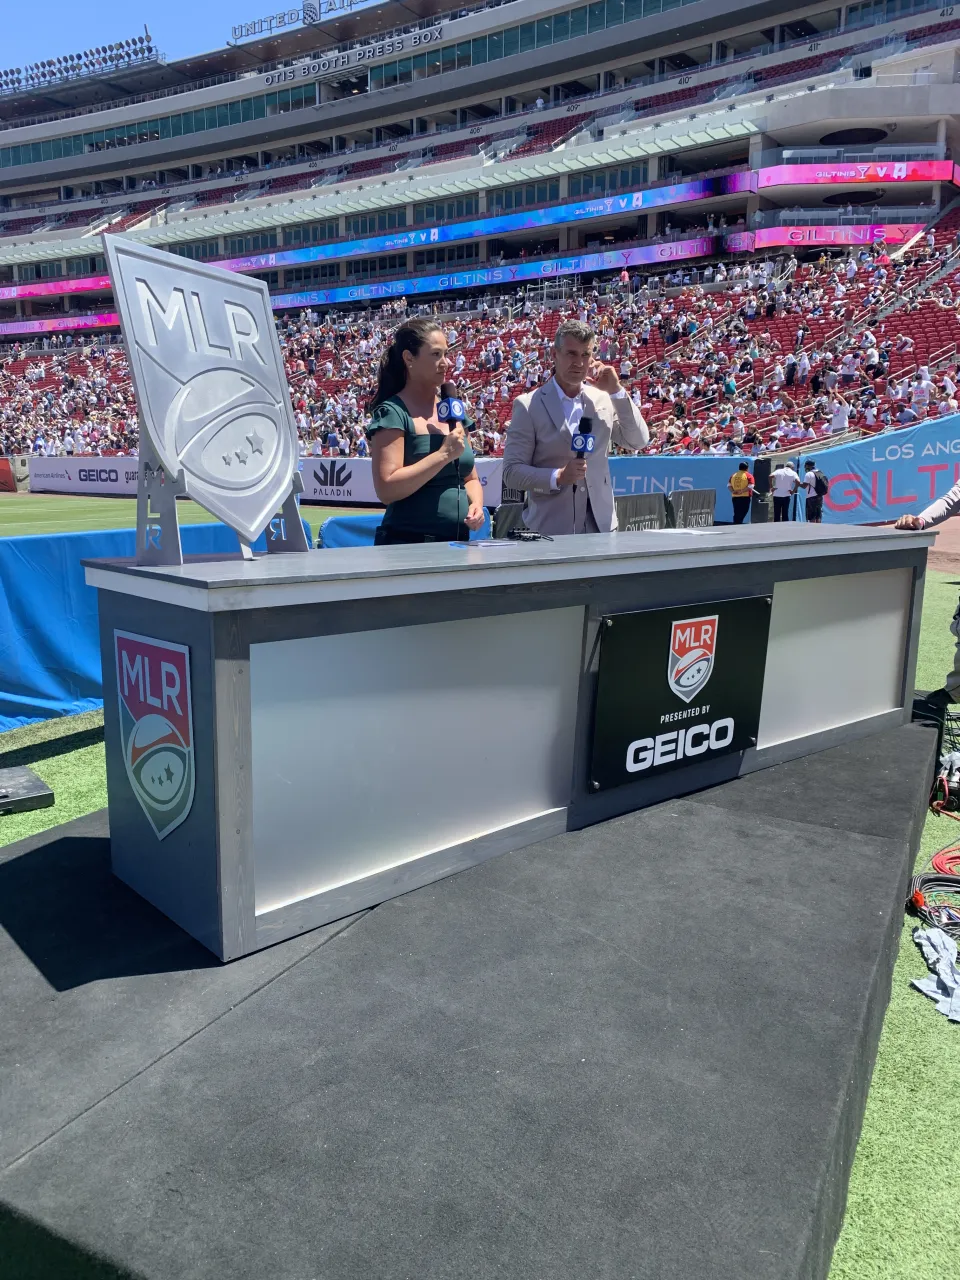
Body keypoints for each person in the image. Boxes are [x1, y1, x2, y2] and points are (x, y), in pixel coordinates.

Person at [502, 319, 649, 535]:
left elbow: (638, 440)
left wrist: (617, 391)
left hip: (603, 528)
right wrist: (558, 477)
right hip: (550, 530)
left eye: (585, 355)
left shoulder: (602, 399)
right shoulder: (528, 405)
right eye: (571, 354)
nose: (579, 363)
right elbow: (512, 472)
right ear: (554, 354)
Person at [366, 319, 486, 545]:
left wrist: (477, 505)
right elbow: (386, 488)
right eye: (436, 354)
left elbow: (470, 478)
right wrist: (442, 455)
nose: (446, 362)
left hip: (458, 543)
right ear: (409, 358)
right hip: (408, 546)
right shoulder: (393, 412)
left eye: (446, 354)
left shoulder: (454, 410)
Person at [800, 459, 827, 523]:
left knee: (812, 516)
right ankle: (818, 530)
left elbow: (804, 486)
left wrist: (797, 483)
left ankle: (812, 531)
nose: (805, 468)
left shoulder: (808, 474)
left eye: (806, 466)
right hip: (820, 496)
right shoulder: (820, 472)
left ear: (808, 466)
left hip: (811, 497)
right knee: (818, 515)